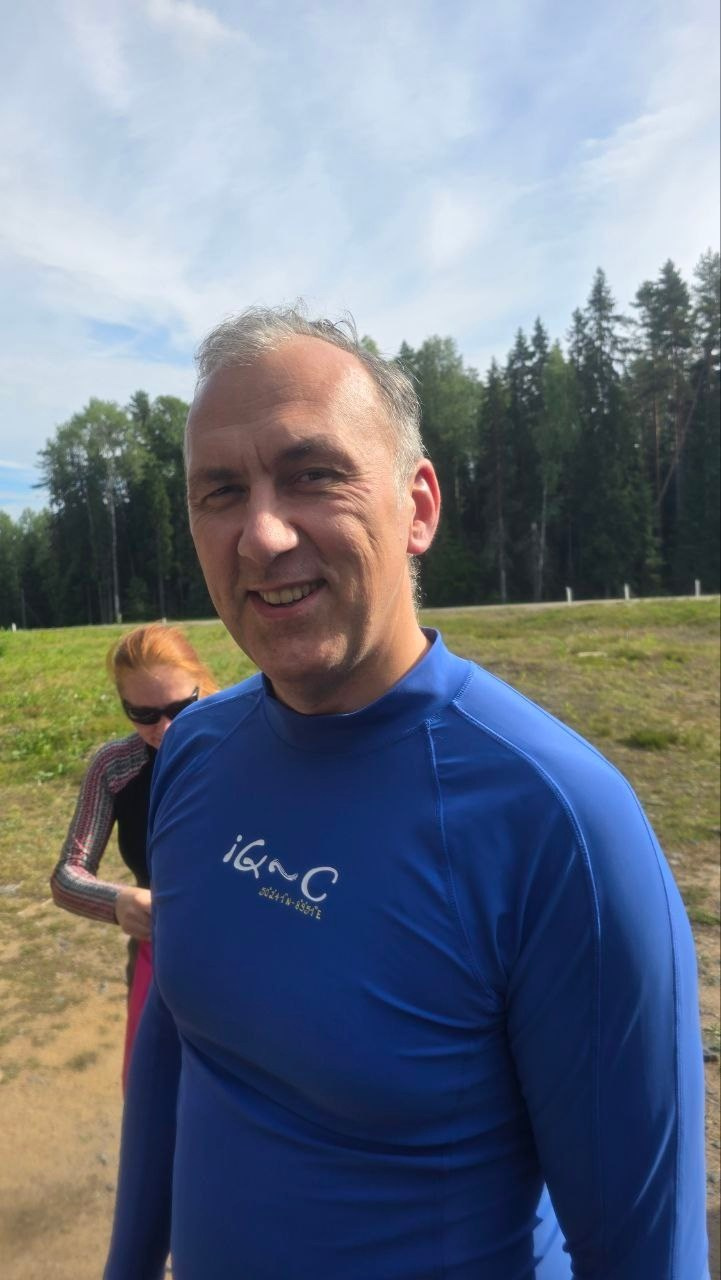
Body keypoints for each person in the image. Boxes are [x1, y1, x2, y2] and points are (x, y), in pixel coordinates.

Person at [104, 308, 708, 1279]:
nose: (261, 534)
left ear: (417, 506)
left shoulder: (558, 822)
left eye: (313, 474)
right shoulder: (194, 754)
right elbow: (178, 1041)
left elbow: (644, 1251)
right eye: (221, 491)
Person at [50, 622, 218, 1090]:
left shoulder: (240, 747)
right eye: (143, 714)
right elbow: (66, 876)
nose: (164, 729)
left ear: (202, 684)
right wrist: (119, 901)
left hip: (241, 953)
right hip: (157, 948)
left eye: (180, 708)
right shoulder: (114, 766)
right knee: (156, 1091)